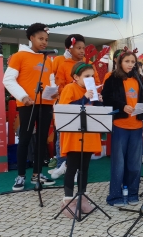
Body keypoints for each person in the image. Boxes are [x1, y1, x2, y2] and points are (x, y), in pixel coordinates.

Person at [3, 22, 57, 191]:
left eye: (46, 39)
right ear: (31, 38)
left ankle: (37, 173)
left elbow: (51, 81)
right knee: (25, 139)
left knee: (41, 140)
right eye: (40, 38)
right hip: (28, 105)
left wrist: (54, 93)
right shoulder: (19, 56)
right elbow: (8, 80)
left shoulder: (47, 59)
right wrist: (23, 96)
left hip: (46, 105)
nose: (44, 42)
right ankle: (20, 176)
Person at [102, 47, 143, 207]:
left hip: (137, 125)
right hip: (120, 125)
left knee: (135, 163)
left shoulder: (139, 79)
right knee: (119, 163)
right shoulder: (113, 78)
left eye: (133, 62)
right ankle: (115, 196)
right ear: (119, 62)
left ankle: (133, 193)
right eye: (127, 61)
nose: (130, 64)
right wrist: (122, 106)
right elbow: (106, 98)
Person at [58, 62, 103, 218]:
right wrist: (84, 98)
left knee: (84, 168)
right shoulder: (69, 88)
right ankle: (68, 201)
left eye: (92, 76)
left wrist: (98, 101)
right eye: (86, 77)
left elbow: (98, 113)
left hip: (89, 136)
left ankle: (82, 198)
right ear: (76, 77)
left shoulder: (92, 92)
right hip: (74, 136)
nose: (90, 79)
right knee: (72, 168)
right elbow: (65, 109)